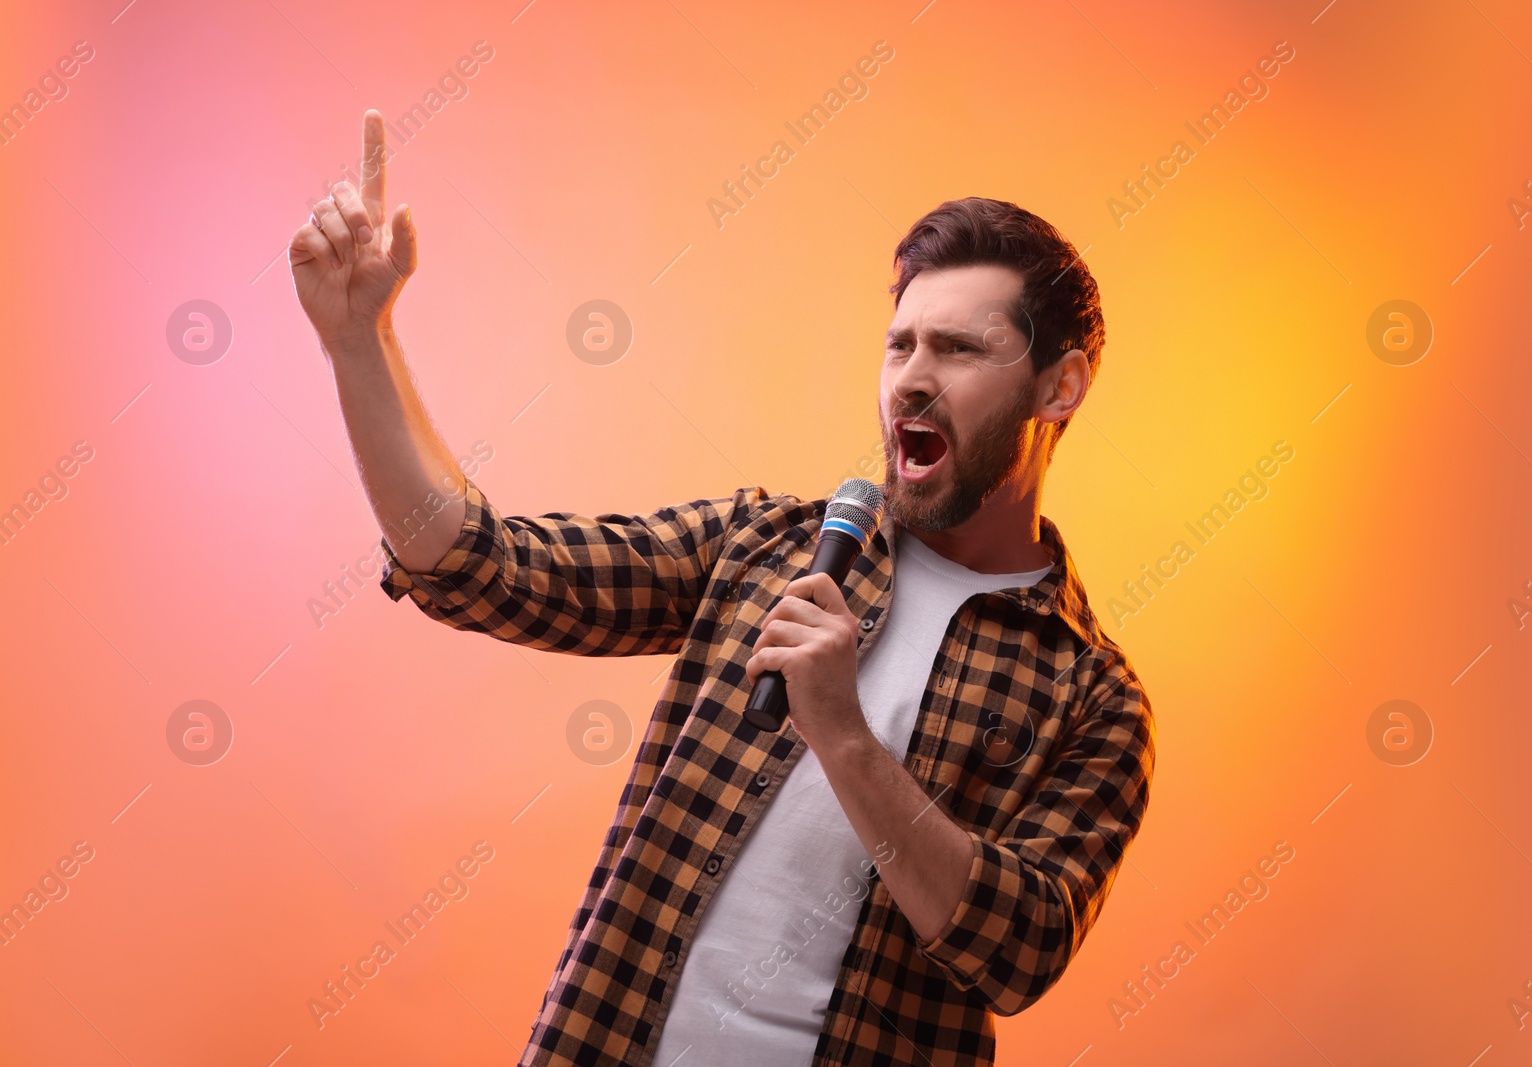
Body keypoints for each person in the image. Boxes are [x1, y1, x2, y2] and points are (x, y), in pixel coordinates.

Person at [290, 109, 1155, 1067]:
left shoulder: (1094, 697)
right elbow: (479, 567)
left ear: (1059, 387)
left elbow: (1015, 951)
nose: (911, 380)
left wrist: (843, 733)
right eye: (899, 344)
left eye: (957, 349)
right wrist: (360, 345)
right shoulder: (764, 545)